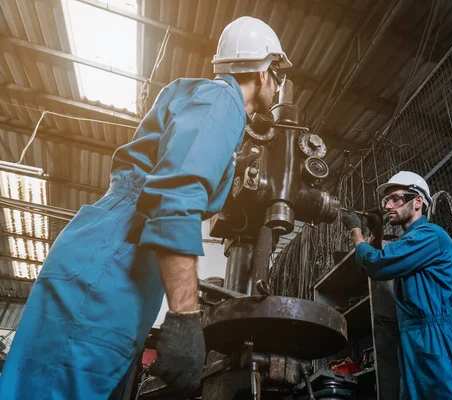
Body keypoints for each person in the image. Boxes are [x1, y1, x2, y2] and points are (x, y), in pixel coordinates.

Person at [0, 16, 291, 400]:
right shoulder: (222, 101)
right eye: (278, 74)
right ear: (263, 70)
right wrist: (185, 317)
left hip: (110, 258)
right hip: (113, 262)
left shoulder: (200, 98)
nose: (279, 84)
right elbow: (175, 196)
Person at [341, 171, 452, 400]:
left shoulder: (429, 235)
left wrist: (355, 232)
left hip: (436, 340)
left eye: (395, 198)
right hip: (414, 342)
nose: (388, 205)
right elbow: (375, 263)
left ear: (418, 201)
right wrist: (376, 235)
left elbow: (377, 264)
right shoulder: (410, 242)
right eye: (386, 200)